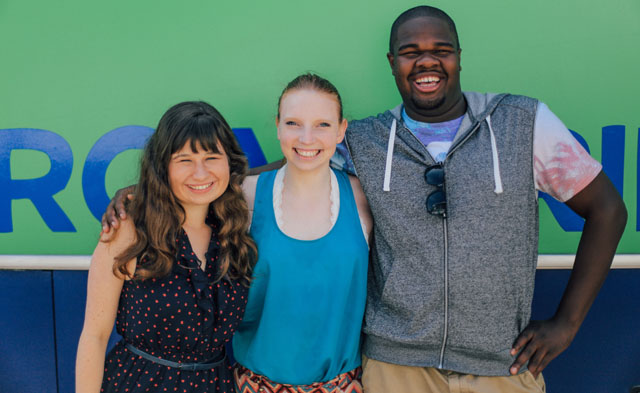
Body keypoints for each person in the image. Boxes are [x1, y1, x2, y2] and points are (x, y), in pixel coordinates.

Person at [329, 6, 626, 392]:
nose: (427, 61)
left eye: (442, 49)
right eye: (410, 51)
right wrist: (226, 172)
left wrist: (566, 324)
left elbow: (608, 209)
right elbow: (296, 162)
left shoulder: (522, 122)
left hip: (502, 366)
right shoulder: (363, 141)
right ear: (392, 62)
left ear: (458, 57)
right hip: (396, 365)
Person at [76, 101, 256, 393]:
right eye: (184, 160)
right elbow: (95, 336)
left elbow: (298, 165)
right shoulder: (130, 228)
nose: (200, 173)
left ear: (229, 162)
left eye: (212, 157)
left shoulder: (233, 232)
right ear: (163, 166)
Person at [232, 74, 372, 393]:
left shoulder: (364, 199)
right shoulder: (244, 197)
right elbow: (177, 196)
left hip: (343, 385)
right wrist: (130, 194)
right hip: (253, 385)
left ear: (341, 130)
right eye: (294, 123)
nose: (307, 138)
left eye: (322, 124)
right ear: (278, 125)